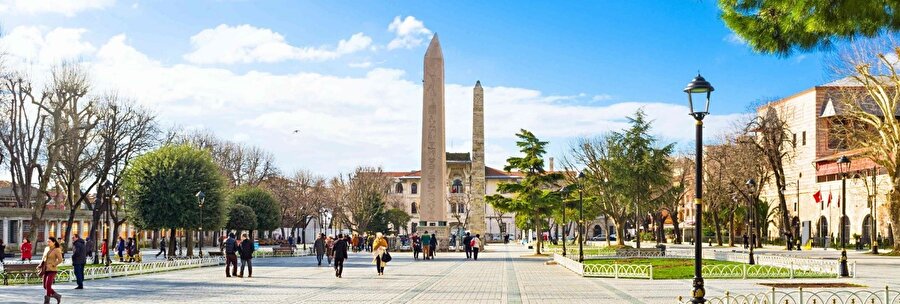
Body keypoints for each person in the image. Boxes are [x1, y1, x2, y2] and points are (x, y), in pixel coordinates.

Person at [42, 237, 63, 304]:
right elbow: (44, 258)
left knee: (48, 285)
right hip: (46, 269)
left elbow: (60, 260)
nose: (48, 243)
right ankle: (57, 296)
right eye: (47, 241)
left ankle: (47, 301)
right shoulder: (47, 249)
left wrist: (53, 264)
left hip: (52, 270)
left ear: (54, 242)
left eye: (49, 242)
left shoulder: (57, 249)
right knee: (45, 286)